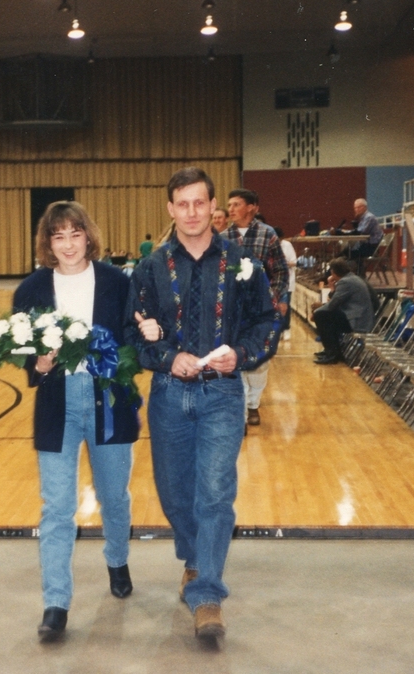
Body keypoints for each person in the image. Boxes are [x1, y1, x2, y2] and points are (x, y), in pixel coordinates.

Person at [125, 167, 278, 641]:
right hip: (169, 395)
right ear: (170, 209)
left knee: (214, 491)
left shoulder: (240, 262)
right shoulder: (149, 268)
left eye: (199, 203)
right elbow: (133, 333)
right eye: (182, 204)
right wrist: (168, 358)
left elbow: (267, 323)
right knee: (175, 492)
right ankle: (193, 560)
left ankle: (207, 593)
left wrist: (244, 354)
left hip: (223, 394)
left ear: (212, 207)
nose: (191, 212)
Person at [12, 201, 140, 642]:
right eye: (57, 236)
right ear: (48, 243)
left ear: (89, 236)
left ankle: (118, 558)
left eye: (75, 234)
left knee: (114, 497)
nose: (67, 244)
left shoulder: (117, 283)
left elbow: (131, 344)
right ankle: (56, 602)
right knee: (57, 509)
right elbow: (21, 351)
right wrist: (39, 364)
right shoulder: (30, 290)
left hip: (109, 401)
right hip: (56, 404)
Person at [225, 188, 288, 427]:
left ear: (251, 207)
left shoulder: (267, 234)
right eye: (229, 205)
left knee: (260, 361)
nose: (230, 209)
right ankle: (240, 414)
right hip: (232, 311)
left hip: (262, 310)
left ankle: (254, 404)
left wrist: (277, 299)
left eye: (236, 204)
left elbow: (281, 270)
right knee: (235, 360)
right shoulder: (221, 237)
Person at [311, 258, 378, 365]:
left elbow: (333, 304)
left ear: (333, 271)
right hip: (356, 317)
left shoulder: (345, 282)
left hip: (357, 321)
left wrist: (316, 311)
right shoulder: (351, 278)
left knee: (320, 315)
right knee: (325, 316)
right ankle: (332, 351)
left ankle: (332, 354)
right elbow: (335, 302)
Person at [345, 198, 384, 270]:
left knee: (348, 253)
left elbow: (361, 232)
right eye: (355, 208)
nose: (356, 210)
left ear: (364, 207)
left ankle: (357, 274)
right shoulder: (363, 218)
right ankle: (359, 274)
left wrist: (344, 233)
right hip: (367, 246)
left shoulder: (369, 217)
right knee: (347, 251)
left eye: (358, 207)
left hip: (371, 248)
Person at [274, 226, 298, 341]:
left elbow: (294, 262)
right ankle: (276, 330)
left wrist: (283, 264)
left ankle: (286, 328)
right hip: (274, 282)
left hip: (287, 281)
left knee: (285, 307)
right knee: (274, 306)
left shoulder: (287, 245)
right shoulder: (270, 246)